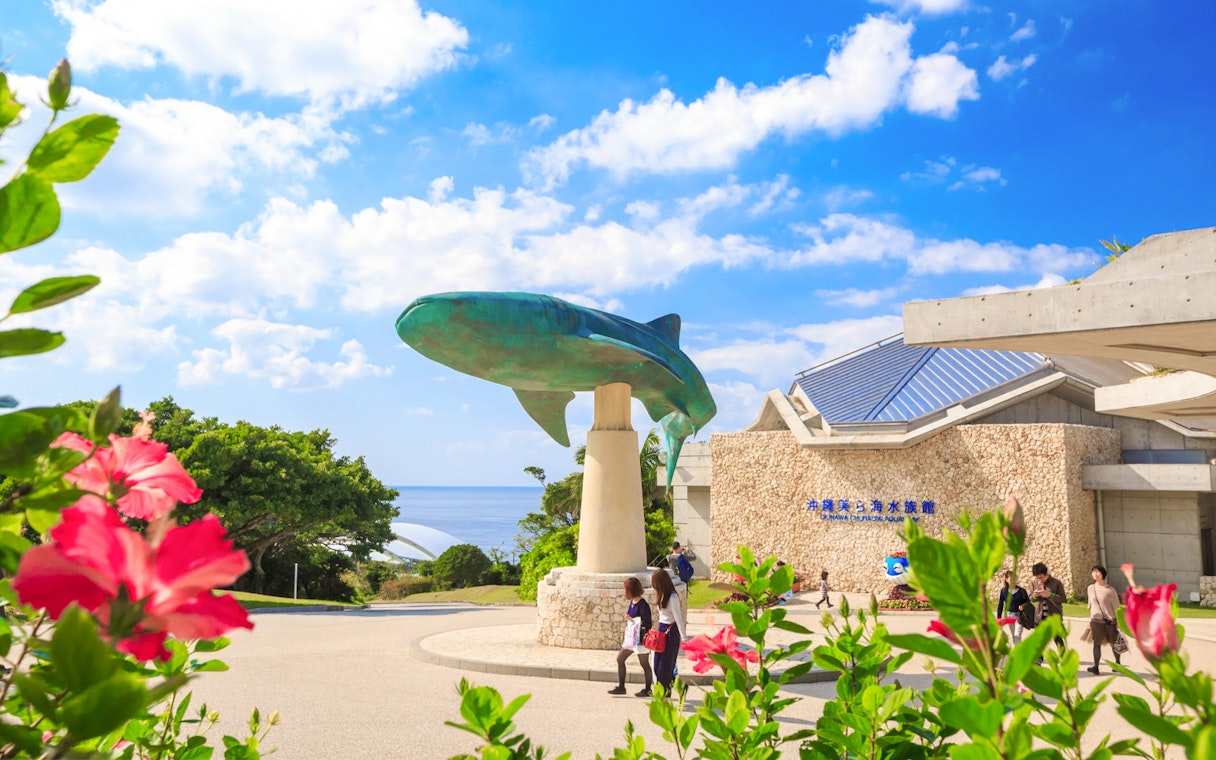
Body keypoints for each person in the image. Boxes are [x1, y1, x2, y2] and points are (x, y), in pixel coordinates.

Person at [609, 577, 654, 697]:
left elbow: (647, 623)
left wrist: (632, 620)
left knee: (644, 664)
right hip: (631, 639)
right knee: (620, 659)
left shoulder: (642, 604)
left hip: (640, 640)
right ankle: (621, 686)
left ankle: (648, 689)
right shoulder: (633, 602)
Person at [650, 569, 687, 696]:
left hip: (671, 633)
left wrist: (684, 637)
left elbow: (678, 617)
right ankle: (681, 688)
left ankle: (664, 698)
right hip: (661, 631)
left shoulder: (672, 597)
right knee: (657, 666)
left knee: (664, 668)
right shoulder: (661, 594)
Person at [1085, 564, 1122, 675]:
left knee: (1113, 643)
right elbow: (1090, 604)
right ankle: (1096, 666)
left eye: (1098, 572)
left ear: (1103, 574)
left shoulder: (1110, 590)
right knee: (1097, 643)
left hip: (1110, 621)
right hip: (1095, 621)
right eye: (1093, 572)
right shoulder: (1090, 588)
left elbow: (1117, 607)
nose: (1095, 574)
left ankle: (1117, 663)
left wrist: (1119, 622)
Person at [1031, 561, 1066, 658]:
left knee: (1057, 638)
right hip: (1039, 616)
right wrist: (1035, 595)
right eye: (1037, 577)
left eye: (1041, 577)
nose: (1040, 580)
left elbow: (1063, 598)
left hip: (1053, 616)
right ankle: (1039, 660)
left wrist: (1050, 595)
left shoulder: (1056, 583)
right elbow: (1031, 598)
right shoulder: (1035, 583)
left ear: (1047, 574)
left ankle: (1064, 658)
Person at [997, 570, 1029, 644]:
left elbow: (1027, 602)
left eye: (1015, 578)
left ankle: (1017, 653)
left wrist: (1023, 606)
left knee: (1017, 635)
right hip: (1009, 616)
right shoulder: (1003, 591)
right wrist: (999, 618)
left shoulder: (1022, 591)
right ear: (1006, 579)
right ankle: (1017, 651)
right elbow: (1000, 604)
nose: (1013, 581)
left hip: (1020, 616)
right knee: (1013, 635)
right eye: (1011, 579)